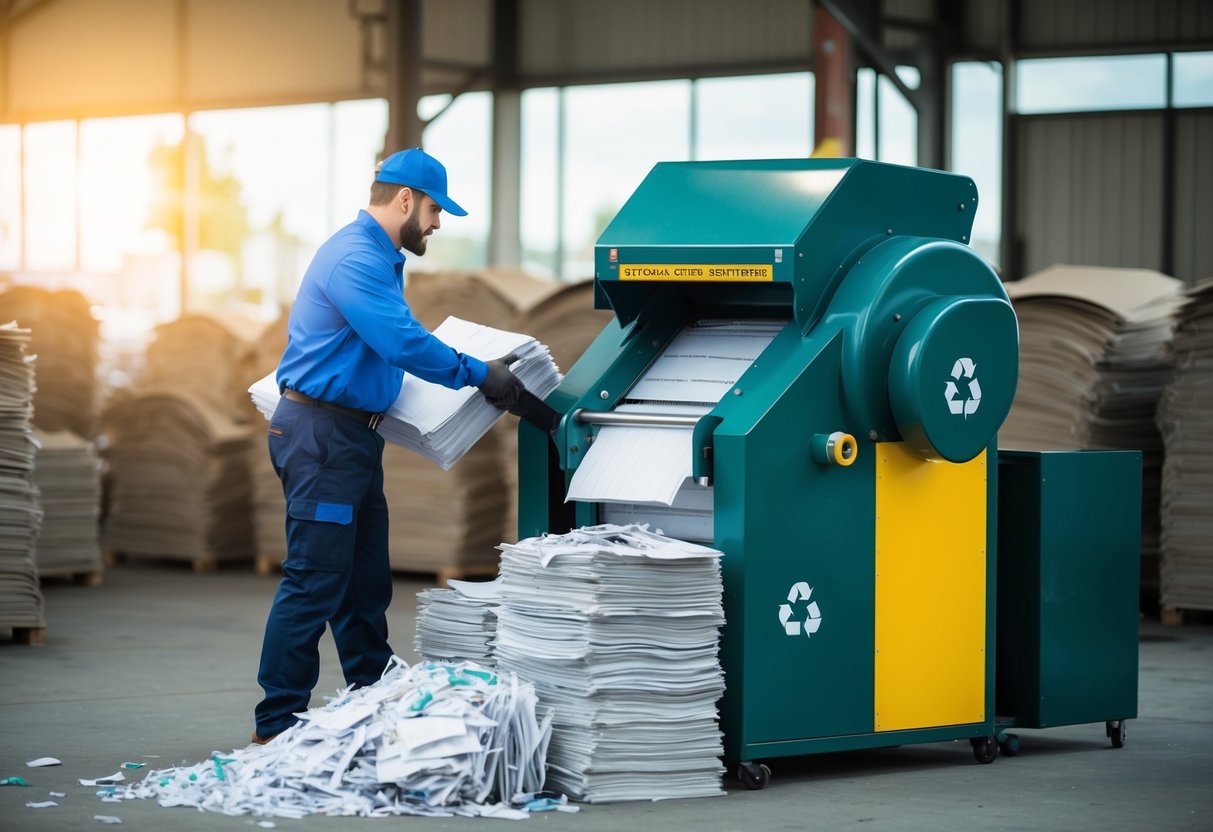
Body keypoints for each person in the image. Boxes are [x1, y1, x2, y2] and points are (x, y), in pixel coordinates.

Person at [252, 147, 525, 744]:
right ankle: (276, 724)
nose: (436, 222)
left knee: (365, 580)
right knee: (316, 578)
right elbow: (400, 342)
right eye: (433, 209)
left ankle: (371, 704)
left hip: (350, 437)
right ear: (405, 199)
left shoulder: (378, 256)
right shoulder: (355, 258)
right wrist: (480, 373)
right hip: (323, 438)